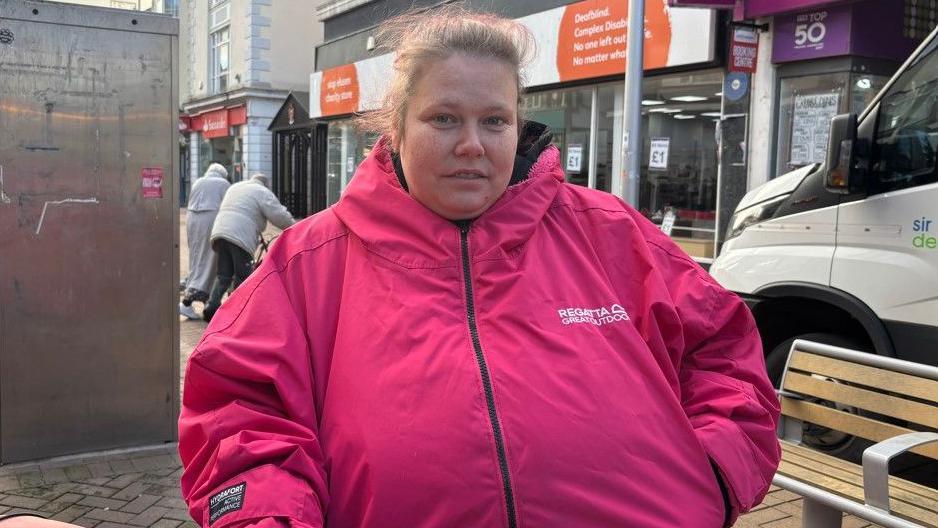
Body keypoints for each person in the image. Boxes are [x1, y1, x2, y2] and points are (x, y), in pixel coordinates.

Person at [179, 7, 780, 527]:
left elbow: (725, 358)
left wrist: (712, 476)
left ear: (518, 127)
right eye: (444, 118)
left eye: (494, 120)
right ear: (397, 127)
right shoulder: (306, 266)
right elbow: (239, 416)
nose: (472, 143)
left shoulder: (611, 236)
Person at [201, 173, 295, 322]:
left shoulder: (236, 187)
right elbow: (278, 215)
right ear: (265, 184)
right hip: (240, 236)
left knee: (223, 275)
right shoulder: (262, 192)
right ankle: (238, 311)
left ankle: (211, 307)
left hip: (220, 232)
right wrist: (295, 227)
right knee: (243, 275)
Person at [180, 162, 230, 320]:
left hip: (192, 220)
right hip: (211, 220)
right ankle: (189, 301)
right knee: (210, 260)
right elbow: (229, 205)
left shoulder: (198, 181)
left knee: (196, 259)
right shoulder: (224, 183)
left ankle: (199, 297)